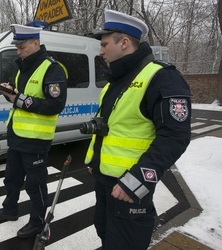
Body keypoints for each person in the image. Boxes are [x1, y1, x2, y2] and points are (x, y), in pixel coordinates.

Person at [84, 9, 192, 249]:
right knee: (105, 234)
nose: (100, 51)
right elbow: (112, 128)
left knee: (126, 243)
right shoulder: (116, 80)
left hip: (130, 185)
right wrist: (95, 161)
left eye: (104, 44)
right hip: (106, 181)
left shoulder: (161, 77)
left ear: (124, 43)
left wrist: (137, 180)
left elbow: (175, 136)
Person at [0, 23, 67, 238]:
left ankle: (37, 221)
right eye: (17, 47)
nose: (18, 51)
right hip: (17, 136)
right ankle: (10, 210)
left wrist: (19, 99)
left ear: (35, 43)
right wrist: (11, 94)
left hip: (36, 140)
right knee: (11, 178)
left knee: (35, 185)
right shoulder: (23, 67)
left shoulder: (52, 68)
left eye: (22, 47)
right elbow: (20, 99)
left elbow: (55, 105)